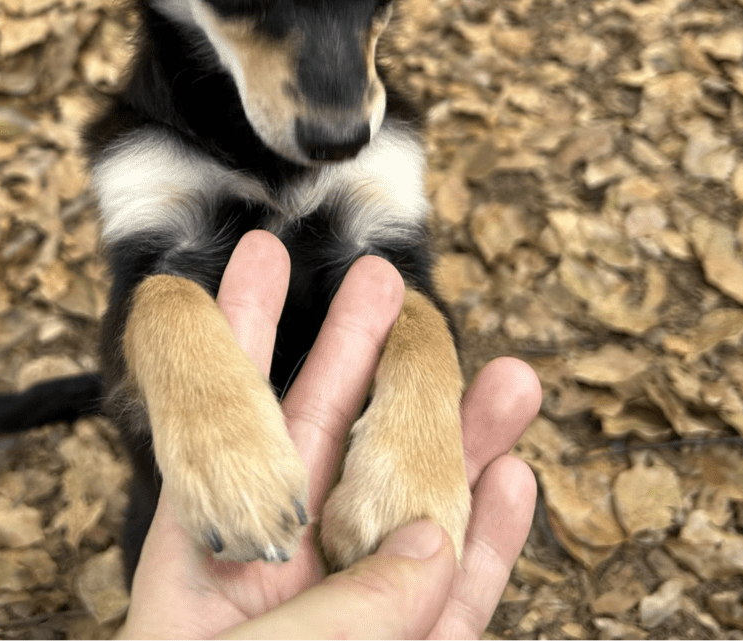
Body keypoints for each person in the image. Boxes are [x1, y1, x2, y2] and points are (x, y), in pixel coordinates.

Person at [116, 231, 542, 641]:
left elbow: (403, 287)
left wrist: (421, 409)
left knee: (390, 292)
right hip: (190, 537)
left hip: (310, 464)